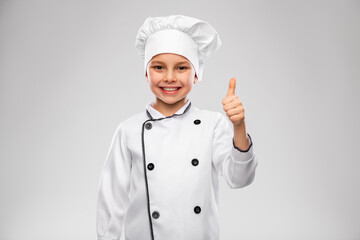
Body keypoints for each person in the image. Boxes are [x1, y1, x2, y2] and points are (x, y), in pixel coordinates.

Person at [96, 14, 258, 240]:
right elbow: (111, 200)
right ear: (146, 72)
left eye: (181, 68)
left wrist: (239, 126)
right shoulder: (128, 130)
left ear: (196, 74)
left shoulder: (212, 124)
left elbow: (240, 178)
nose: (169, 77)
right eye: (159, 67)